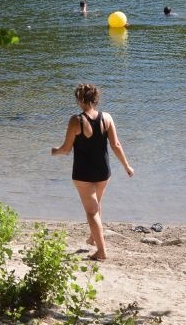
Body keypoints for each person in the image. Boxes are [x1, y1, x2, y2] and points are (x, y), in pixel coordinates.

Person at [50, 83, 134, 261]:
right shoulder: (107, 118)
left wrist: (55, 150)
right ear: (96, 99)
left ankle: (101, 252)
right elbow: (116, 145)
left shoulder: (76, 120)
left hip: (83, 174)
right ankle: (93, 238)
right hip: (103, 171)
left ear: (80, 100)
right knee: (96, 205)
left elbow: (66, 149)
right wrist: (127, 166)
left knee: (91, 211)